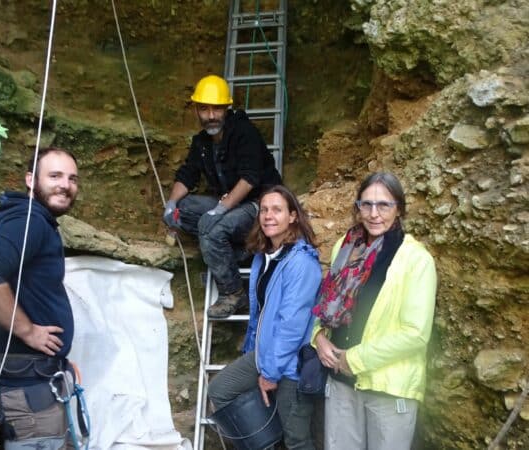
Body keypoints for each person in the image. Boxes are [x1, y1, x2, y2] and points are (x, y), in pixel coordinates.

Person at [311, 172, 437, 450]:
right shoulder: (345, 247)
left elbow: (415, 334)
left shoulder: (416, 260)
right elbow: (325, 304)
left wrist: (354, 359)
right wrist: (318, 338)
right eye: (366, 204)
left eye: (384, 205)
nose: (374, 213)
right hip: (340, 382)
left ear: (399, 209)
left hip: (388, 388)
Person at [208, 185, 322, 450]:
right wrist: (254, 350)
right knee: (220, 390)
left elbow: (291, 326)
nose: (269, 216)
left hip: (293, 363)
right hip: (265, 353)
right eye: (264, 210)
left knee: (296, 440)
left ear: (293, 216)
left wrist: (270, 372)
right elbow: (260, 314)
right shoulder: (263, 258)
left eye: (277, 210)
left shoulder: (301, 262)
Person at [163, 74, 282, 318]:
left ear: (226, 108)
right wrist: (171, 204)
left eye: (216, 109)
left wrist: (219, 210)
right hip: (231, 204)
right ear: (196, 110)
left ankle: (233, 293)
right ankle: (239, 248)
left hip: (259, 204)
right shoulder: (201, 142)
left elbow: (249, 178)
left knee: (212, 231)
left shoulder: (244, 133)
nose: (211, 116)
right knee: (183, 210)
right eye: (204, 109)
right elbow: (188, 175)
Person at [0, 147, 80, 449]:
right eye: (55, 176)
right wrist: (28, 331)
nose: (65, 185)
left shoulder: (36, 220)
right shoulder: (28, 220)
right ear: (31, 180)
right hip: (28, 391)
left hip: (37, 378)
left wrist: (60, 361)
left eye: (72, 179)